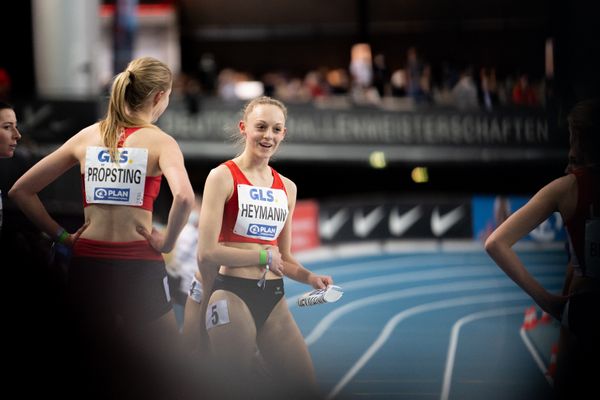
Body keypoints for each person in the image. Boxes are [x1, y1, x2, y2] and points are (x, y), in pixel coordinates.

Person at [9, 56, 195, 399]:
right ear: (158, 97)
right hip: (140, 266)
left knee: (90, 367)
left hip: (88, 264)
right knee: (168, 368)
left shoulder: (87, 136)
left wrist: (62, 236)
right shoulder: (160, 142)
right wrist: (167, 242)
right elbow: (184, 198)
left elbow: (21, 191)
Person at [195, 95, 333, 399]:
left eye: (276, 129)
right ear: (244, 128)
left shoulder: (287, 187)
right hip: (232, 293)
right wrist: (260, 255)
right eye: (261, 127)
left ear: (283, 133)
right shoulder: (222, 177)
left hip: (274, 299)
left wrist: (310, 278)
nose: (268, 136)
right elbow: (207, 251)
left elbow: (283, 257)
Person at [485, 98, 600, 399]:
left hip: (584, 309)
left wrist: (546, 301)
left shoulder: (568, 188)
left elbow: (496, 242)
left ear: (578, 140)